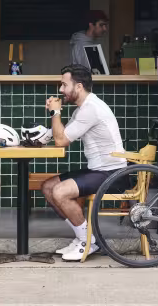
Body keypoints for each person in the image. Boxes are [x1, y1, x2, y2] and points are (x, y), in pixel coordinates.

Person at [41, 64, 126, 261]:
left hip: (112, 173)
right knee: (48, 187)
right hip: (98, 170)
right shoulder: (82, 109)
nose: (60, 90)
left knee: (59, 191)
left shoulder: (91, 109)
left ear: (78, 86)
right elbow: (61, 136)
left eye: (64, 85)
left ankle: (88, 241)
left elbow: (61, 141)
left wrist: (55, 113)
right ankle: (84, 237)